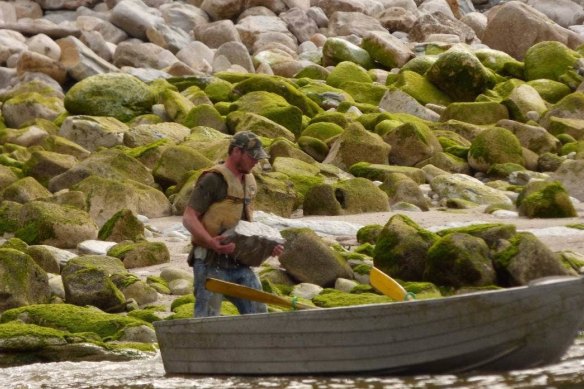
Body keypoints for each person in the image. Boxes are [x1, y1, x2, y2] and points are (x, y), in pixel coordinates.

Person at [183, 131, 284, 317]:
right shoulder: (213, 180)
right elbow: (189, 218)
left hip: (240, 264)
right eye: (252, 157)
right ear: (236, 152)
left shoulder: (249, 182)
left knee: (259, 314)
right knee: (207, 320)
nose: (256, 162)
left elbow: (246, 229)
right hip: (210, 264)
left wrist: (268, 247)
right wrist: (211, 242)